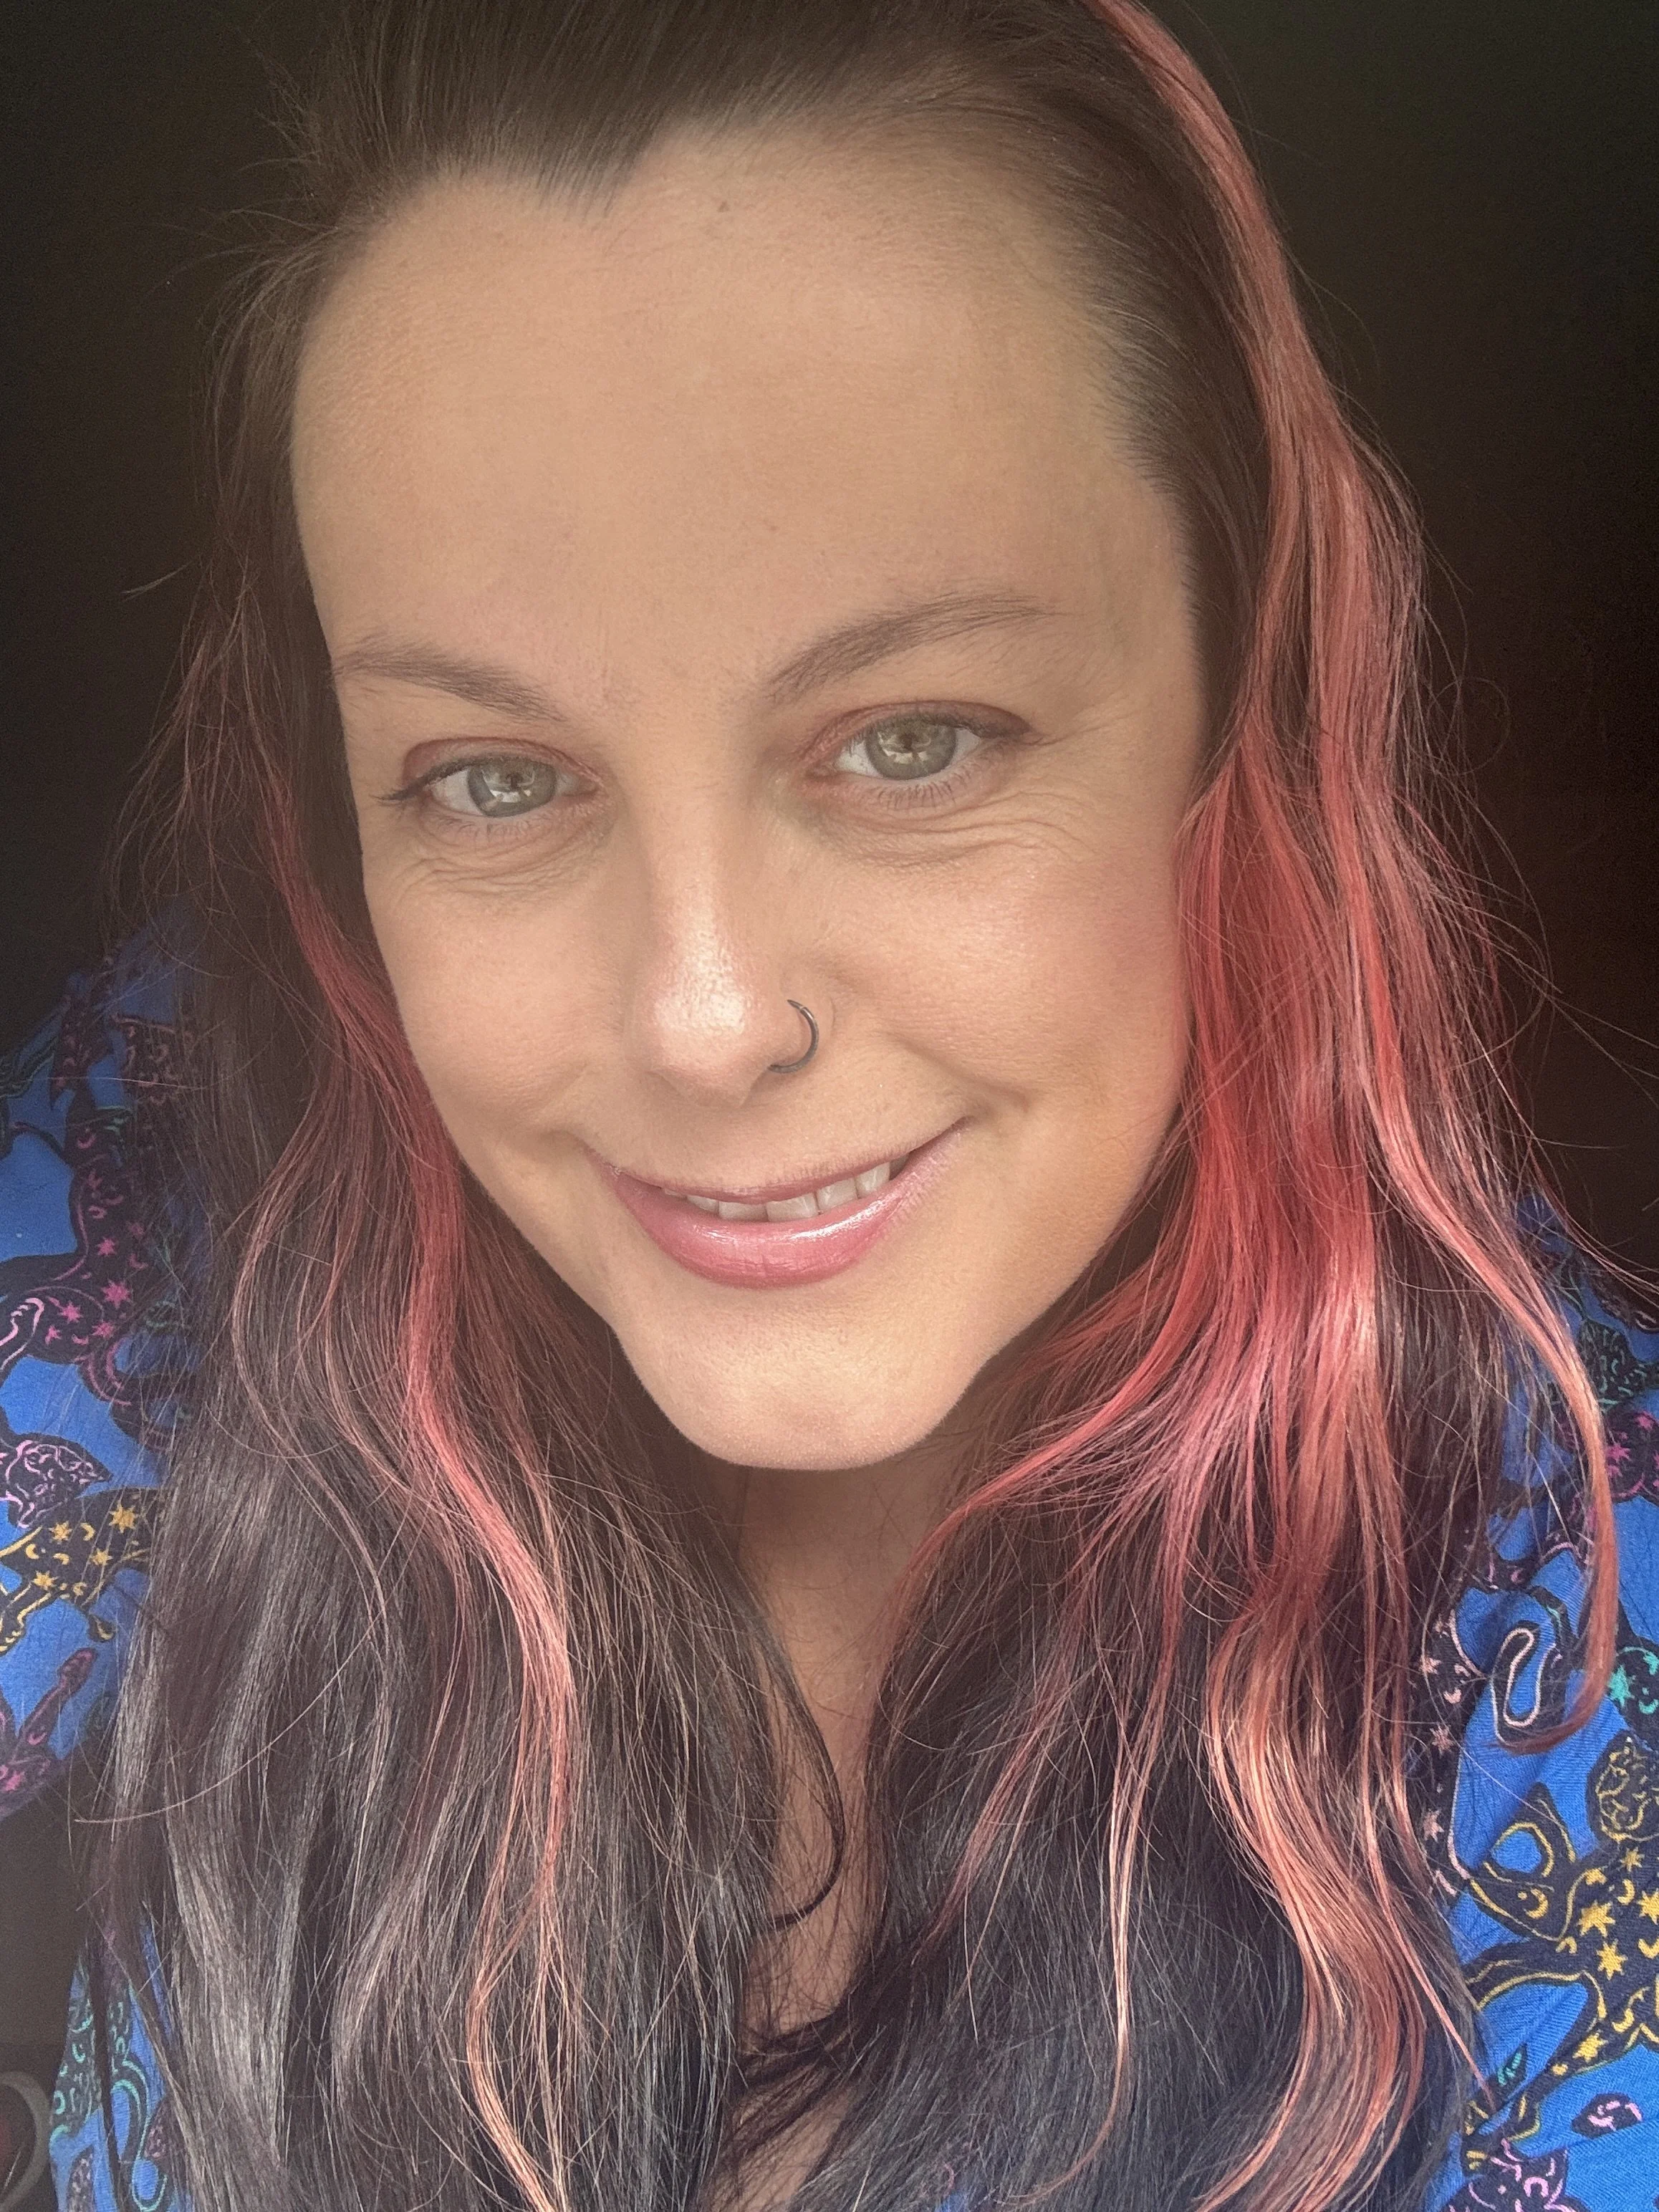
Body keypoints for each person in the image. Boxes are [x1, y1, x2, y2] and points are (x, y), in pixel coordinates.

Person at [1, 1, 1656, 2206]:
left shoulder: (1575, 1617)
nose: (701, 1017)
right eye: (492, 779)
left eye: (913, 739)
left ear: (1234, 712)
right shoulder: (185, 1137)